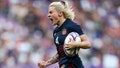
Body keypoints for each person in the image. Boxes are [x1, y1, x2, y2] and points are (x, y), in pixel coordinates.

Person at [38, 1, 91, 68]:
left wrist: (76, 44)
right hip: (64, 64)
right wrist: (46, 63)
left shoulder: (72, 26)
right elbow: (60, 53)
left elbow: (88, 44)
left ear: (60, 13)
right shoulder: (55, 32)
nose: (48, 15)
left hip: (73, 64)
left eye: (51, 12)